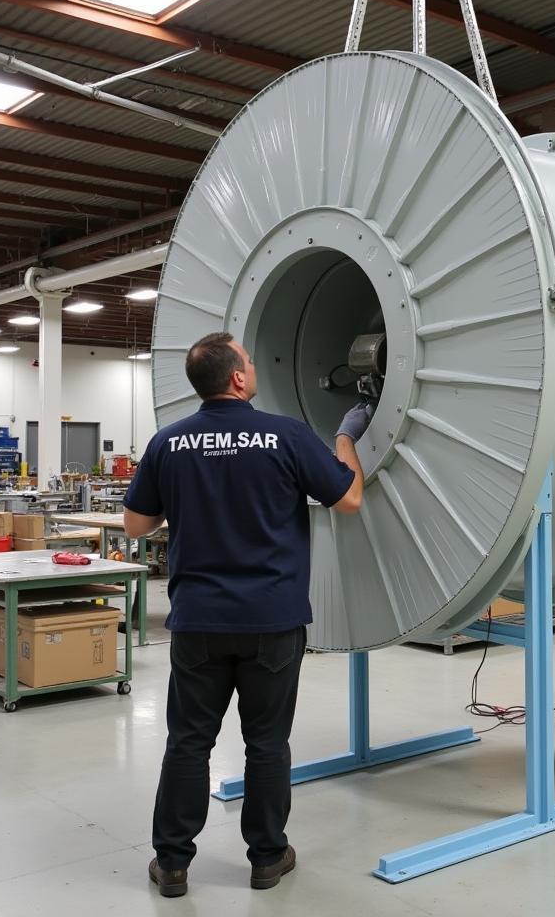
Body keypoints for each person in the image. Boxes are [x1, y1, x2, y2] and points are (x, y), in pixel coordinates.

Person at [124, 332, 370, 897]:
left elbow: (137, 526)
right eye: (250, 361)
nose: (255, 366)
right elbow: (349, 499)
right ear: (238, 378)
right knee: (266, 742)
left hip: (197, 621)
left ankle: (173, 863)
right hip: (272, 619)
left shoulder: (168, 443)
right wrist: (345, 437)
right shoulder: (287, 436)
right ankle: (265, 857)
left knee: (188, 740)